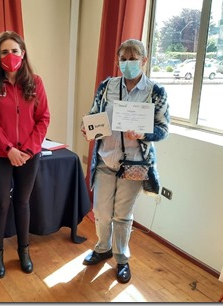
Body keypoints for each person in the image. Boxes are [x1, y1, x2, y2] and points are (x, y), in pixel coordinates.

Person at [80, 39, 170, 284]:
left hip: (135, 164)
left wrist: (144, 133)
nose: (128, 63)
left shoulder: (156, 91)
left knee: (122, 215)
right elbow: (94, 114)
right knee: (100, 211)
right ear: (118, 60)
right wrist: (87, 126)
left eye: (133, 58)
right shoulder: (107, 85)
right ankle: (102, 248)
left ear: (144, 60)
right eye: (123, 58)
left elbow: (163, 129)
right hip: (105, 159)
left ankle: (121, 258)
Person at [0, 31, 50, 278]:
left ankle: (23, 251)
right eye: (5, 51)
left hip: (29, 154)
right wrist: (9, 148)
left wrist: (27, 150)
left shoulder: (35, 82)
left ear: (23, 53)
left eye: (15, 50)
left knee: (22, 202)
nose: (10, 55)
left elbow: (43, 118)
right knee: (0, 204)